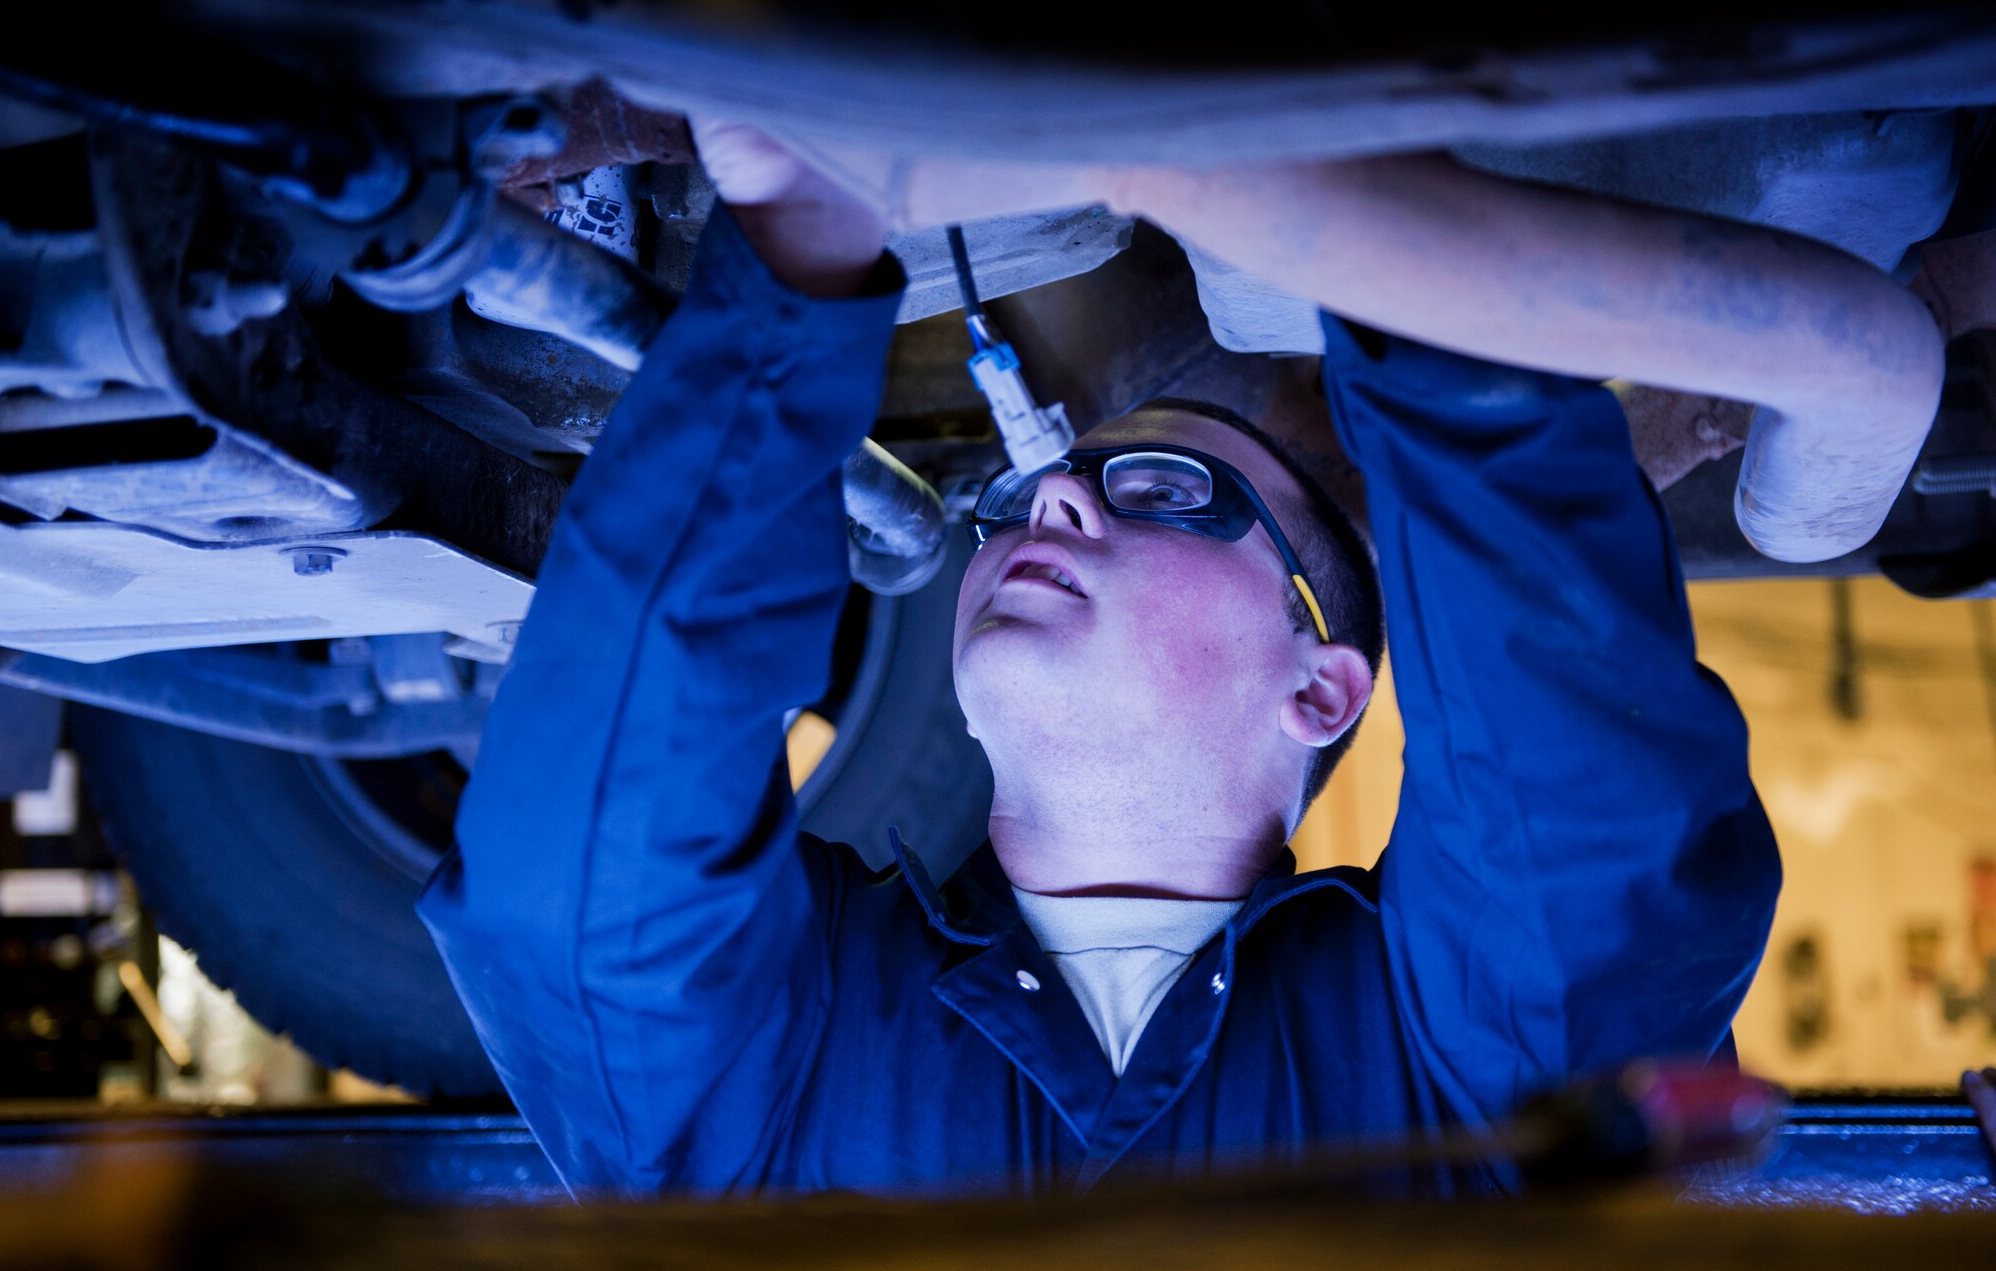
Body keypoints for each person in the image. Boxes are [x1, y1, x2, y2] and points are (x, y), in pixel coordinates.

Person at [418, 125, 1939, 1199]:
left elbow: (579, 881)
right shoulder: (1472, 1108)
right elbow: (1586, 814)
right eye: (1160, 488)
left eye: (1114, 492)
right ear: (1321, 686)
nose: (1052, 500)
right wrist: (1396, 245)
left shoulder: (781, 1085)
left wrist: (792, 263)